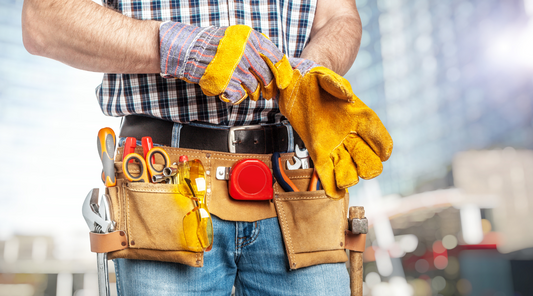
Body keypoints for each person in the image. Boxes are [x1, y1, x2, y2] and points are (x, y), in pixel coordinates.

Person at [22, 0, 392, 295]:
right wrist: (175, 46)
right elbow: (43, 19)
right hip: (164, 184)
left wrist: (311, 74)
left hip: (296, 182)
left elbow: (339, 16)